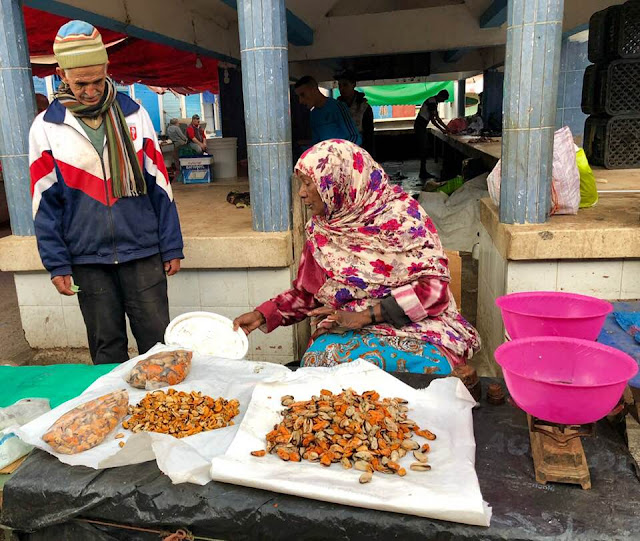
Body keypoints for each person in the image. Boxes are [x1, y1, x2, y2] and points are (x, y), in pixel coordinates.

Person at [234, 140, 480, 374]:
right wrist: (263, 314)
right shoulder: (321, 232)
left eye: (309, 184)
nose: (301, 193)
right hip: (344, 327)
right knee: (319, 367)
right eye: (302, 184)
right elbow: (307, 295)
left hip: (415, 326)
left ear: (339, 182)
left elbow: (434, 291)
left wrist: (366, 316)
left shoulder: (404, 218)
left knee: (434, 372)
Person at [29, 20, 184, 365]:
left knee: (159, 348)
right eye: (81, 83)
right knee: (107, 349)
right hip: (87, 259)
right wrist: (57, 263)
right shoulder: (47, 127)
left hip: (142, 251)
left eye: (98, 81)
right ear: (61, 74)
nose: (91, 91)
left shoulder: (135, 114)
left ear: (107, 69)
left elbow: (160, 183)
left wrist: (171, 244)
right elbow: (45, 203)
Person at [294, 76, 361, 147]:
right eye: (298, 97)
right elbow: (317, 143)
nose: (300, 101)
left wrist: (339, 154)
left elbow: (355, 137)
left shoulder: (337, 107)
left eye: (302, 95)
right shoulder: (313, 115)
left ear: (314, 89)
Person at [337, 71, 374, 157]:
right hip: (341, 151)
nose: (342, 89)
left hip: (360, 151)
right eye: (340, 86)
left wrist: (369, 156)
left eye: (345, 85)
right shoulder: (336, 107)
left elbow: (369, 136)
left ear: (353, 84)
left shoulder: (364, 108)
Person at [415, 89, 450, 179]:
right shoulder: (432, 102)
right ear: (440, 96)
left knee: (425, 147)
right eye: (444, 99)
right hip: (420, 126)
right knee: (424, 148)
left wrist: (446, 128)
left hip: (421, 126)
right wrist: (443, 130)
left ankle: (423, 171)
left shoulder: (434, 102)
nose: (443, 101)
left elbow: (437, 117)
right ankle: (423, 172)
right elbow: (433, 120)